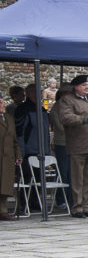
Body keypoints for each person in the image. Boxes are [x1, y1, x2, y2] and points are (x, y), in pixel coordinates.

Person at [58, 75, 88, 218]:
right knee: (77, 178)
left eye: (87, 84)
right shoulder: (68, 100)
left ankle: (85, 205)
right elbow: (65, 117)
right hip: (78, 144)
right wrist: (83, 120)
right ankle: (77, 207)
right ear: (76, 87)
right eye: (84, 85)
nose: (87, 87)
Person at [14, 84, 49, 212]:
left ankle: (35, 201)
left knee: (39, 178)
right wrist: (21, 151)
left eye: (38, 91)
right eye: (34, 92)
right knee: (26, 178)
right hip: (28, 150)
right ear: (28, 94)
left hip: (41, 150)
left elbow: (45, 131)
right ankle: (24, 203)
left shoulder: (42, 109)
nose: (37, 94)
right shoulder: (22, 109)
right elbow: (19, 132)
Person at [49, 84, 74, 210]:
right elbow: (58, 126)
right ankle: (61, 199)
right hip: (62, 142)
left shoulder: (72, 105)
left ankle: (71, 198)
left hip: (73, 143)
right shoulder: (57, 107)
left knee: (71, 172)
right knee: (63, 171)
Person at [0, 95, 21, 220]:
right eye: (0, 103)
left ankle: (3, 211)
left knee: (5, 185)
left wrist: (18, 155)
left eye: (3, 102)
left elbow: (14, 140)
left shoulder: (9, 118)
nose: (3, 105)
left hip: (8, 158)